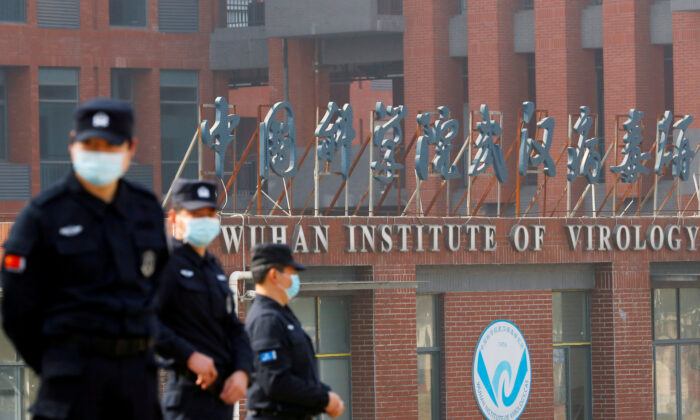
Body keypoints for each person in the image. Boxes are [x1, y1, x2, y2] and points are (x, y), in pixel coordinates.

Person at [1, 98, 169, 419]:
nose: (98, 154)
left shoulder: (145, 209)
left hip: (137, 383)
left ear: (131, 149)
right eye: (89, 144)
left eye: (109, 146)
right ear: (72, 145)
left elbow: (158, 288)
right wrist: (56, 363)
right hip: (73, 383)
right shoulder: (43, 216)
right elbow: (18, 310)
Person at [155, 178, 252, 420]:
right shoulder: (165, 263)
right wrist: (189, 355)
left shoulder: (213, 267)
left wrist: (242, 371)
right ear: (175, 218)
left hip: (222, 399)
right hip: (188, 398)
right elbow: (145, 321)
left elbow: (234, 328)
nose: (205, 220)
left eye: (210, 213)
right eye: (196, 213)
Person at [245, 243, 345, 420]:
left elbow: (299, 373)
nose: (295, 279)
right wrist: (324, 398)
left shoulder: (282, 315)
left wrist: (326, 394)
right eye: (292, 273)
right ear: (274, 275)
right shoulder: (266, 320)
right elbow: (275, 381)